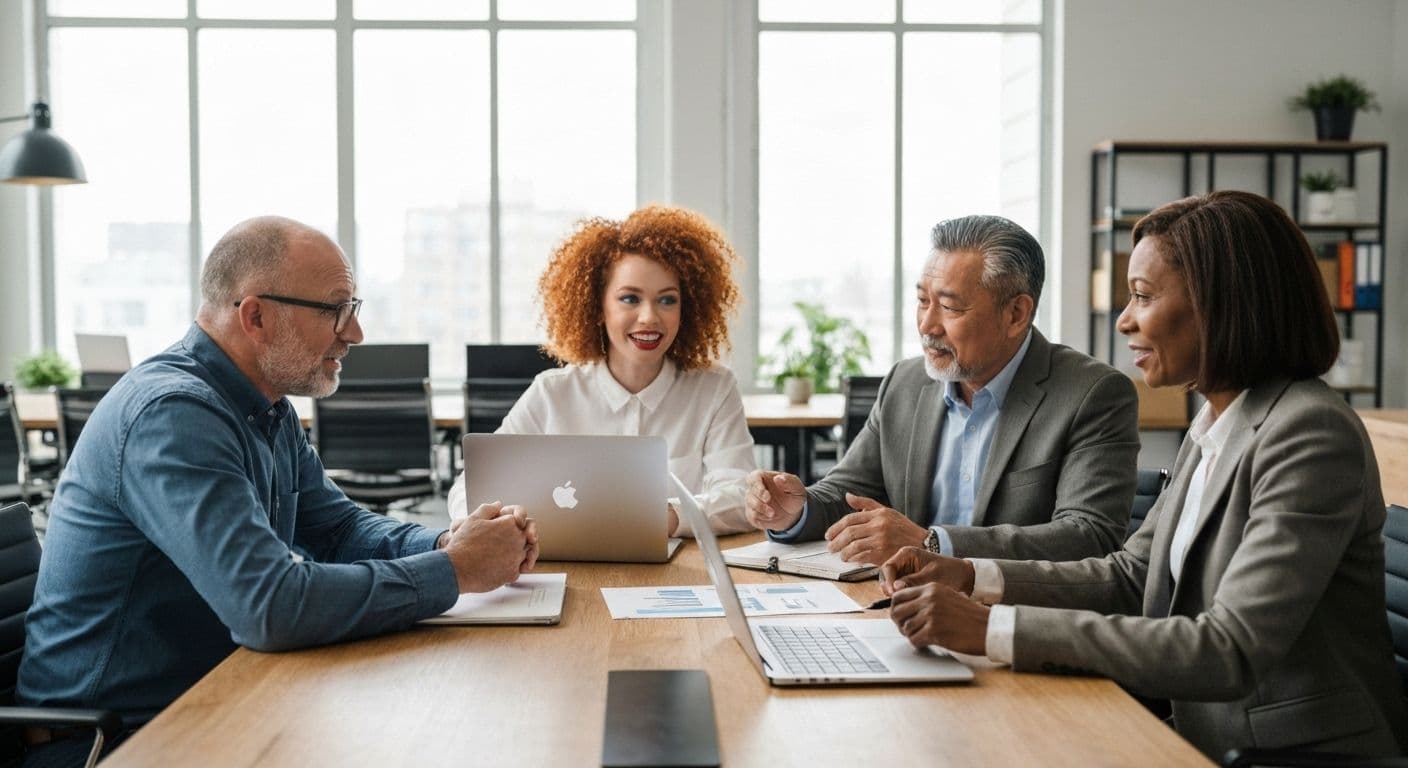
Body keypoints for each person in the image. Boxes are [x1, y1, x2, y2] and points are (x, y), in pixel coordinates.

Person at [879, 191, 1408, 760]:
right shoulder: (1217, 420)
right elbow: (1132, 578)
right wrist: (968, 574)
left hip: (1286, 754)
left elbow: (1227, 647)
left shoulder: (1309, 433)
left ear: (1219, 302)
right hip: (1190, 729)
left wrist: (991, 630)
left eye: (1142, 296)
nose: (1126, 319)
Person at [17, 216, 538, 764]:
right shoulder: (172, 415)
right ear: (256, 316)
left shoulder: (267, 408)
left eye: (353, 309)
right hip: (113, 742)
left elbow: (338, 529)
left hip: (215, 700)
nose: (354, 333)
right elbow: (269, 606)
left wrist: (446, 545)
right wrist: (456, 572)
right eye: (336, 309)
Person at [746, 214, 1138, 565]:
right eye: (922, 301)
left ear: (1016, 314)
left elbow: (1089, 536)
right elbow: (849, 491)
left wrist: (933, 543)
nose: (927, 325)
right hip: (899, 606)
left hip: (1010, 619)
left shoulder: (1094, 394)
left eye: (950, 308)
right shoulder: (905, 382)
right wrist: (796, 510)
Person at [446, 205, 756, 536]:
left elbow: (741, 496)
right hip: (567, 569)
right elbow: (470, 488)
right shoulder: (552, 393)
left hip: (679, 572)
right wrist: (493, 522)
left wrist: (667, 516)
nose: (650, 317)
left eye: (667, 300)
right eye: (630, 299)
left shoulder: (714, 388)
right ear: (598, 307)